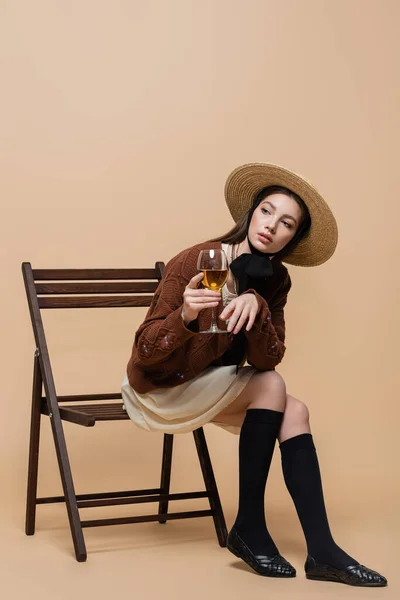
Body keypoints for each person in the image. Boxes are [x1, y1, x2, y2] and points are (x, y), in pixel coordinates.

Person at [121, 163, 387, 587]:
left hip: (210, 388)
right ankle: (249, 525)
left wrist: (257, 305)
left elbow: (268, 359)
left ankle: (322, 551)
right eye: (267, 211)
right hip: (158, 389)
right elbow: (144, 353)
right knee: (276, 390)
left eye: (287, 223)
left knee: (294, 411)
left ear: (292, 238)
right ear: (250, 214)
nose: (272, 226)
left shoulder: (275, 279)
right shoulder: (198, 260)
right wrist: (187, 314)